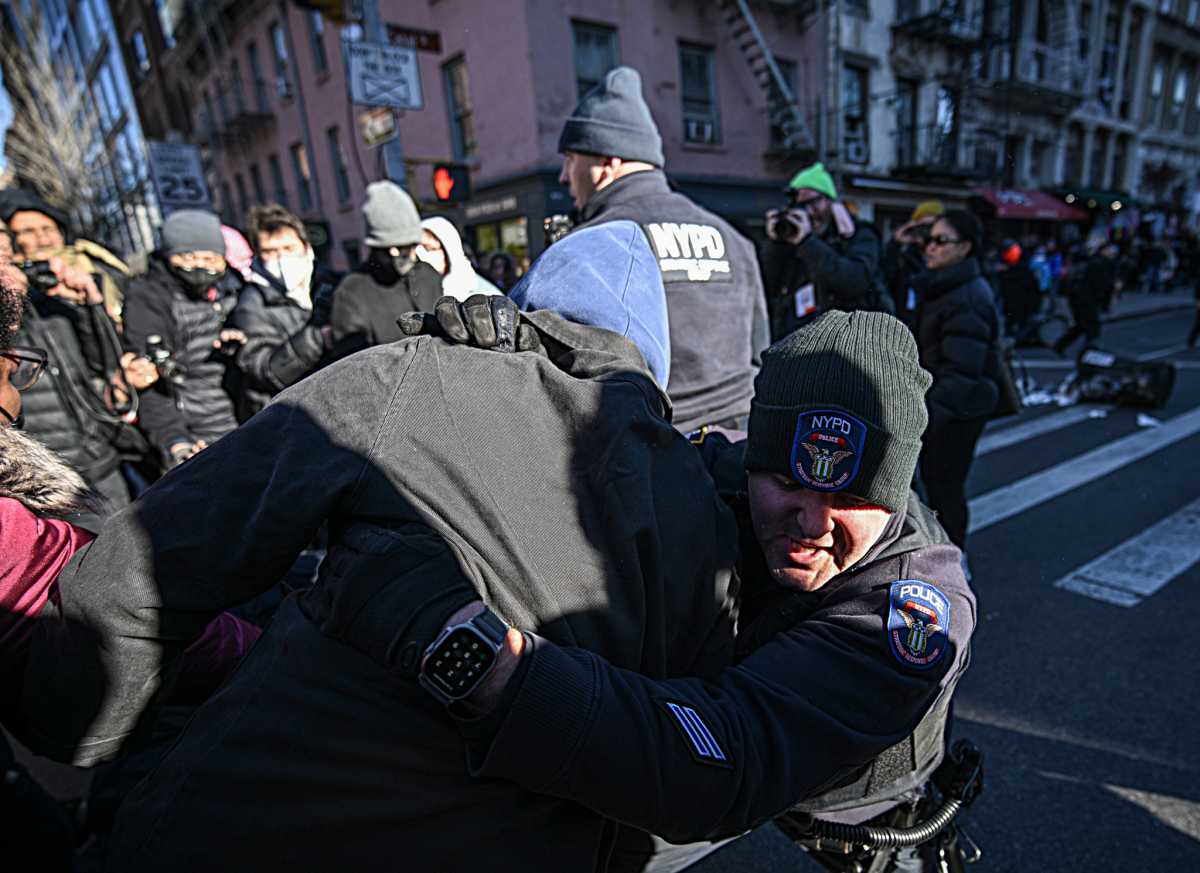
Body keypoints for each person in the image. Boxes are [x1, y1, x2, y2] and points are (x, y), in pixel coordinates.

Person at [28, 223, 740, 873]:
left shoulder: (416, 372)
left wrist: (90, 726)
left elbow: (159, 555)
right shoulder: (705, 510)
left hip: (259, 823)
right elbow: (671, 774)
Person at [412, 308, 975, 873]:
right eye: (786, 483)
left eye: (851, 499)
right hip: (725, 729)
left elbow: (733, 760)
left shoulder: (915, 608)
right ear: (756, 460)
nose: (811, 523)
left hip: (854, 812)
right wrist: (532, 360)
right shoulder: (725, 466)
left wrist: (507, 678)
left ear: (896, 493)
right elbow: (621, 440)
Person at [556, 65, 769, 433]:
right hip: (744, 448)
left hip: (659, 455)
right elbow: (759, 355)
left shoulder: (593, 246)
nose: (564, 176)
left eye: (571, 160)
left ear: (608, 163)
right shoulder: (733, 239)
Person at [121, 209, 244, 468]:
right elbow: (150, 382)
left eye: (210, 258)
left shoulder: (236, 288)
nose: (201, 266)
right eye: (188, 257)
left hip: (246, 420)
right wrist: (175, 442)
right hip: (195, 434)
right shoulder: (150, 298)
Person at [912, 210, 1001, 551]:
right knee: (937, 483)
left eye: (940, 240)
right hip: (945, 404)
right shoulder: (943, 285)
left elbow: (962, 372)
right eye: (927, 240)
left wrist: (924, 419)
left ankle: (953, 560)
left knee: (945, 486)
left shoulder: (966, 296)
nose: (929, 248)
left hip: (958, 411)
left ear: (964, 247)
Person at [227, 204, 342, 418]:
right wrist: (317, 339)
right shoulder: (250, 304)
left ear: (305, 247)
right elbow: (265, 369)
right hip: (289, 415)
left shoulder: (333, 283)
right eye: (270, 252)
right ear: (258, 256)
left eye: (288, 248)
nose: (281, 259)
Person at [761, 161, 890, 340]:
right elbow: (767, 285)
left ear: (830, 201)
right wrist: (775, 244)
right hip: (798, 343)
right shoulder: (792, 241)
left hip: (848, 344)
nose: (809, 212)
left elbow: (853, 281)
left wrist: (808, 242)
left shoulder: (858, 235)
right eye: (801, 205)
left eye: (814, 202)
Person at [2, 190, 129, 324]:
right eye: (28, 231)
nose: (44, 240)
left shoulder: (98, 260)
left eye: (48, 229)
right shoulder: (15, 292)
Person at [1053, 241, 1118, 358]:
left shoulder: (1094, 262)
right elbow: (1102, 285)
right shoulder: (1100, 263)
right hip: (1086, 300)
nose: (1112, 252)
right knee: (1092, 328)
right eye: (1109, 250)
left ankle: (1061, 345)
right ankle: (1088, 354)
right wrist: (1105, 303)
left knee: (1082, 326)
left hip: (1079, 298)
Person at [883, 200, 943, 325]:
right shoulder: (905, 257)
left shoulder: (946, 255)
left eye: (931, 227)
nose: (926, 233)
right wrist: (895, 244)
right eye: (922, 227)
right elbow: (886, 279)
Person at [416, 216, 501, 300]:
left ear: (449, 249)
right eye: (416, 249)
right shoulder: (416, 293)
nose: (421, 255)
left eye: (429, 248)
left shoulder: (485, 295)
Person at [994, 240, 1041, 341]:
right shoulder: (1013, 266)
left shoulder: (1013, 267)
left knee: (1017, 321)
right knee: (1014, 321)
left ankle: (1017, 339)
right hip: (1015, 298)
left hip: (1019, 298)